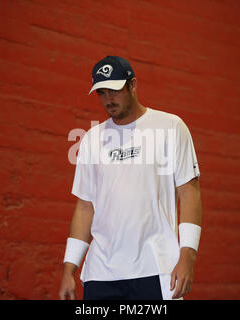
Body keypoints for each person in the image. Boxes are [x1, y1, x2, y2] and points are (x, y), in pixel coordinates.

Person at [58, 56, 203, 300]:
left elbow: (189, 191)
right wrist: (68, 269)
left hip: (156, 269)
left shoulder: (169, 127)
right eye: (101, 93)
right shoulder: (92, 140)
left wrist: (187, 255)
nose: (108, 100)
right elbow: (85, 206)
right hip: (100, 274)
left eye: (114, 91)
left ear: (132, 85)